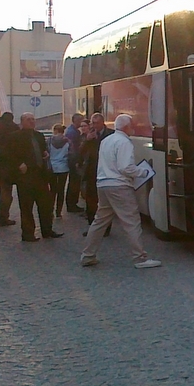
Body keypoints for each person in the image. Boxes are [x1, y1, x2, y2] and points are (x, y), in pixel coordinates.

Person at [80, 114, 160, 269]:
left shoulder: (105, 141)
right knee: (131, 221)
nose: (133, 128)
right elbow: (125, 168)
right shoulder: (124, 142)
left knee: (99, 221)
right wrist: (142, 172)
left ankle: (88, 255)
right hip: (119, 186)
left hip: (103, 184)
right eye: (131, 125)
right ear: (125, 127)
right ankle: (139, 258)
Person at [7, 112, 63, 242]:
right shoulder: (15, 137)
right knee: (26, 207)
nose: (32, 121)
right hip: (25, 176)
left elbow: (43, 150)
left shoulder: (38, 135)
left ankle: (47, 230)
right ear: (22, 122)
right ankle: (28, 234)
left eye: (33, 119)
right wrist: (18, 164)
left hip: (40, 175)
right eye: (28, 119)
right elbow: (9, 155)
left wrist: (45, 154)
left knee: (45, 205)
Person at [80, 112, 114, 232]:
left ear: (102, 122)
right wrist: (87, 140)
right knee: (91, 200)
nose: (94, 126)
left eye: (96, 123)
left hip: (106, 170)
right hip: (92, 171)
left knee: (105, 202)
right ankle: (92, 228)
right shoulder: (89, 135)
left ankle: (106, 228)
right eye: (92, 123)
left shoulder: (111, 134)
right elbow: (81, 152)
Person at [64, 113, 85, 213]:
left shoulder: (72, 131)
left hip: (72, 159)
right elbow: (74, 148)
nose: (82, 122)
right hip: (74, 160)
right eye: (81, 120)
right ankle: (72, 204)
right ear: (75, 120)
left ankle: (71, 203)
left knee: (74, 183)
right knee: (74, 183)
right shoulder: (73, 132)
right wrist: (77, 161)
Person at [48, 123, 70, 217]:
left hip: (52, 167)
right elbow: (70, 153)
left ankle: (50, 209)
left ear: (55, 131)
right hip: (63, 167)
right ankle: (58, 211)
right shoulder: (67, 141)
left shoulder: (49, 141)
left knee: (52, 190)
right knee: (61, 190)